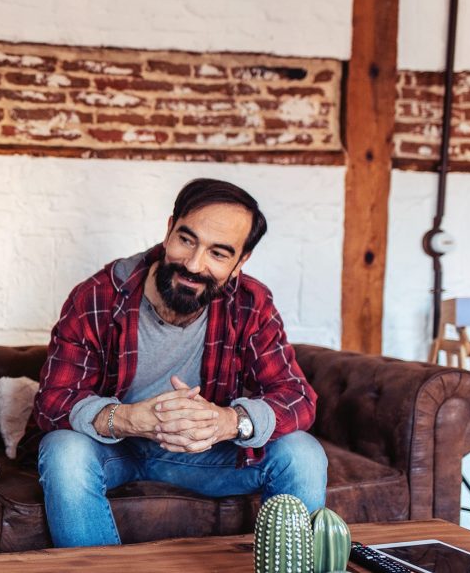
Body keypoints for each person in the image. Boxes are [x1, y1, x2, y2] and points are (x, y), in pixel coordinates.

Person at [29, 178, 327, 548]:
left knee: (303, 453)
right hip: (115, 450)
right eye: (187, 240)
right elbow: (53, 401)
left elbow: (297, 397)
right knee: (63, 450)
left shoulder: (251, 303)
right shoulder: (98, 296)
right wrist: (130, 418)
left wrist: (228, 421)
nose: (193, 264)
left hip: (202, 457)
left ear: (239, 262)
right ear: (170, 229)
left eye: (218, 254)